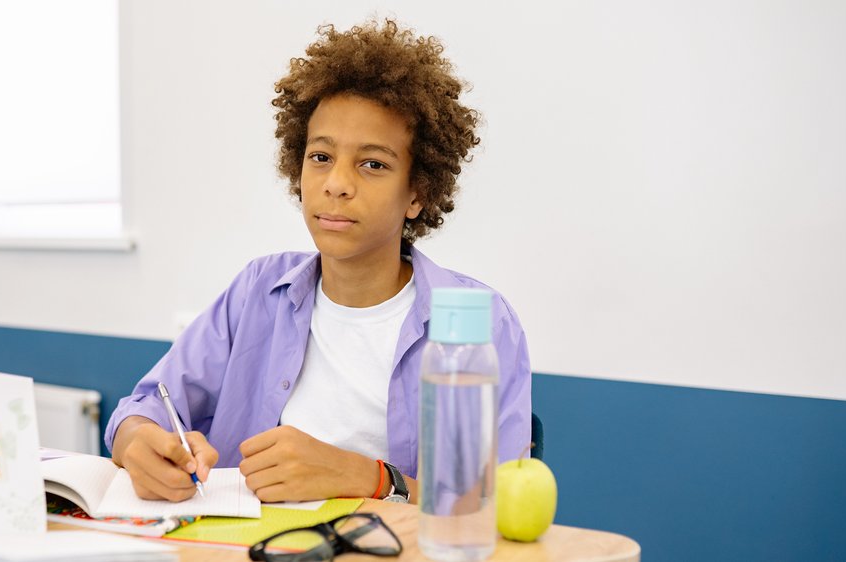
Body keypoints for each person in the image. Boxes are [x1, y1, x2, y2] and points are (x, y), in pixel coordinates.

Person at [106, 19, 531, 504]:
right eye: (321, 156)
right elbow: (141, 409)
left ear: (417, 192)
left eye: (373, 164)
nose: (337, 183)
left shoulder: (482, 321)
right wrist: (139, 442)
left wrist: (368, 477)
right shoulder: (256, 290)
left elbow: (494, 506)